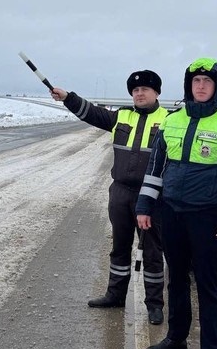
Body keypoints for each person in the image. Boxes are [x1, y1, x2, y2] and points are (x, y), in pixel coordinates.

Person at [135, 57, 217, 349]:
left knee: (208, 286)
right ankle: (176, 338)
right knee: (176, 280)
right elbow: (155, 169)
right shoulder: (171, 121)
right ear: (189, 85)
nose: (200, 86)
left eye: (207, 81)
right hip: (171, 213)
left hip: (208, 217)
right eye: (195, 81)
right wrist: (144, 205)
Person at [50, 71, 169, 325]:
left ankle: (155, 305)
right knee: (119, 247)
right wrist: (68, 97)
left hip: (152, 197)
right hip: (120, 193)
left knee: (152, 251)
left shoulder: (169, 120)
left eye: (145, 89)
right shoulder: (121, 116)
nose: (139, 93)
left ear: (157, 93)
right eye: (136, 90)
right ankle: (115, 295)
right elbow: (92, 113)